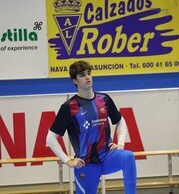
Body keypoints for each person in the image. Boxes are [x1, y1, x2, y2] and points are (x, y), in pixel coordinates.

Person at [46, 60, 137, 194]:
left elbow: (120, 120)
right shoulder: (69, 107)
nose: (88, 77)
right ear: (75, 81)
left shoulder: (104, 99)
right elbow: (50, 138)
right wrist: (67, 161)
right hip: (86, 163)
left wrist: (121, 143)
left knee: (128, 157)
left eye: (89, 73)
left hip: (107, 156)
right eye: (82, 75)